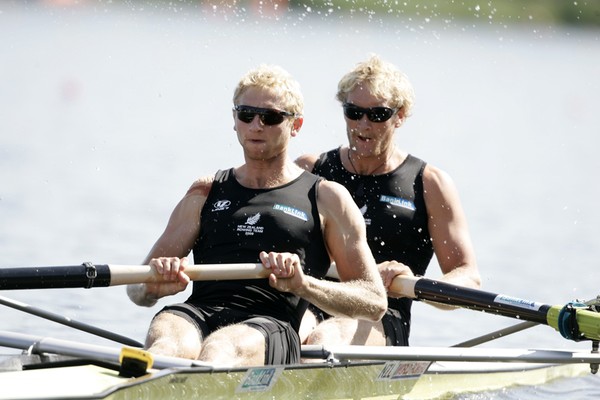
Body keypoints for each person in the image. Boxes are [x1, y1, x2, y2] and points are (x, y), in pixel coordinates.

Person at [126, 64, 387, 367]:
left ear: (296, 125)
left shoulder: (327, 198)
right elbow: (136, 289)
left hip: (271, 324)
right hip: (197, 312)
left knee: (221, 349)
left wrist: (304, 286)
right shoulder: (206, 190)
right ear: (234, 121)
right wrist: (153, 288)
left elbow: (374, 302)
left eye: (271, 117)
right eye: (246, 115)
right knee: (167, 346)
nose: (256, 125)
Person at [296, 54, 481, 347]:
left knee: (323, 339)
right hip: (312, 300)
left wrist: (414, 280)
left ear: (401, 115)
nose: (363, 124)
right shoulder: (311, 170)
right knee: (288, 333)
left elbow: (468, 277)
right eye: (353, 112)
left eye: (378, 114)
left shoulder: (429, 184)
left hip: (380, 315)